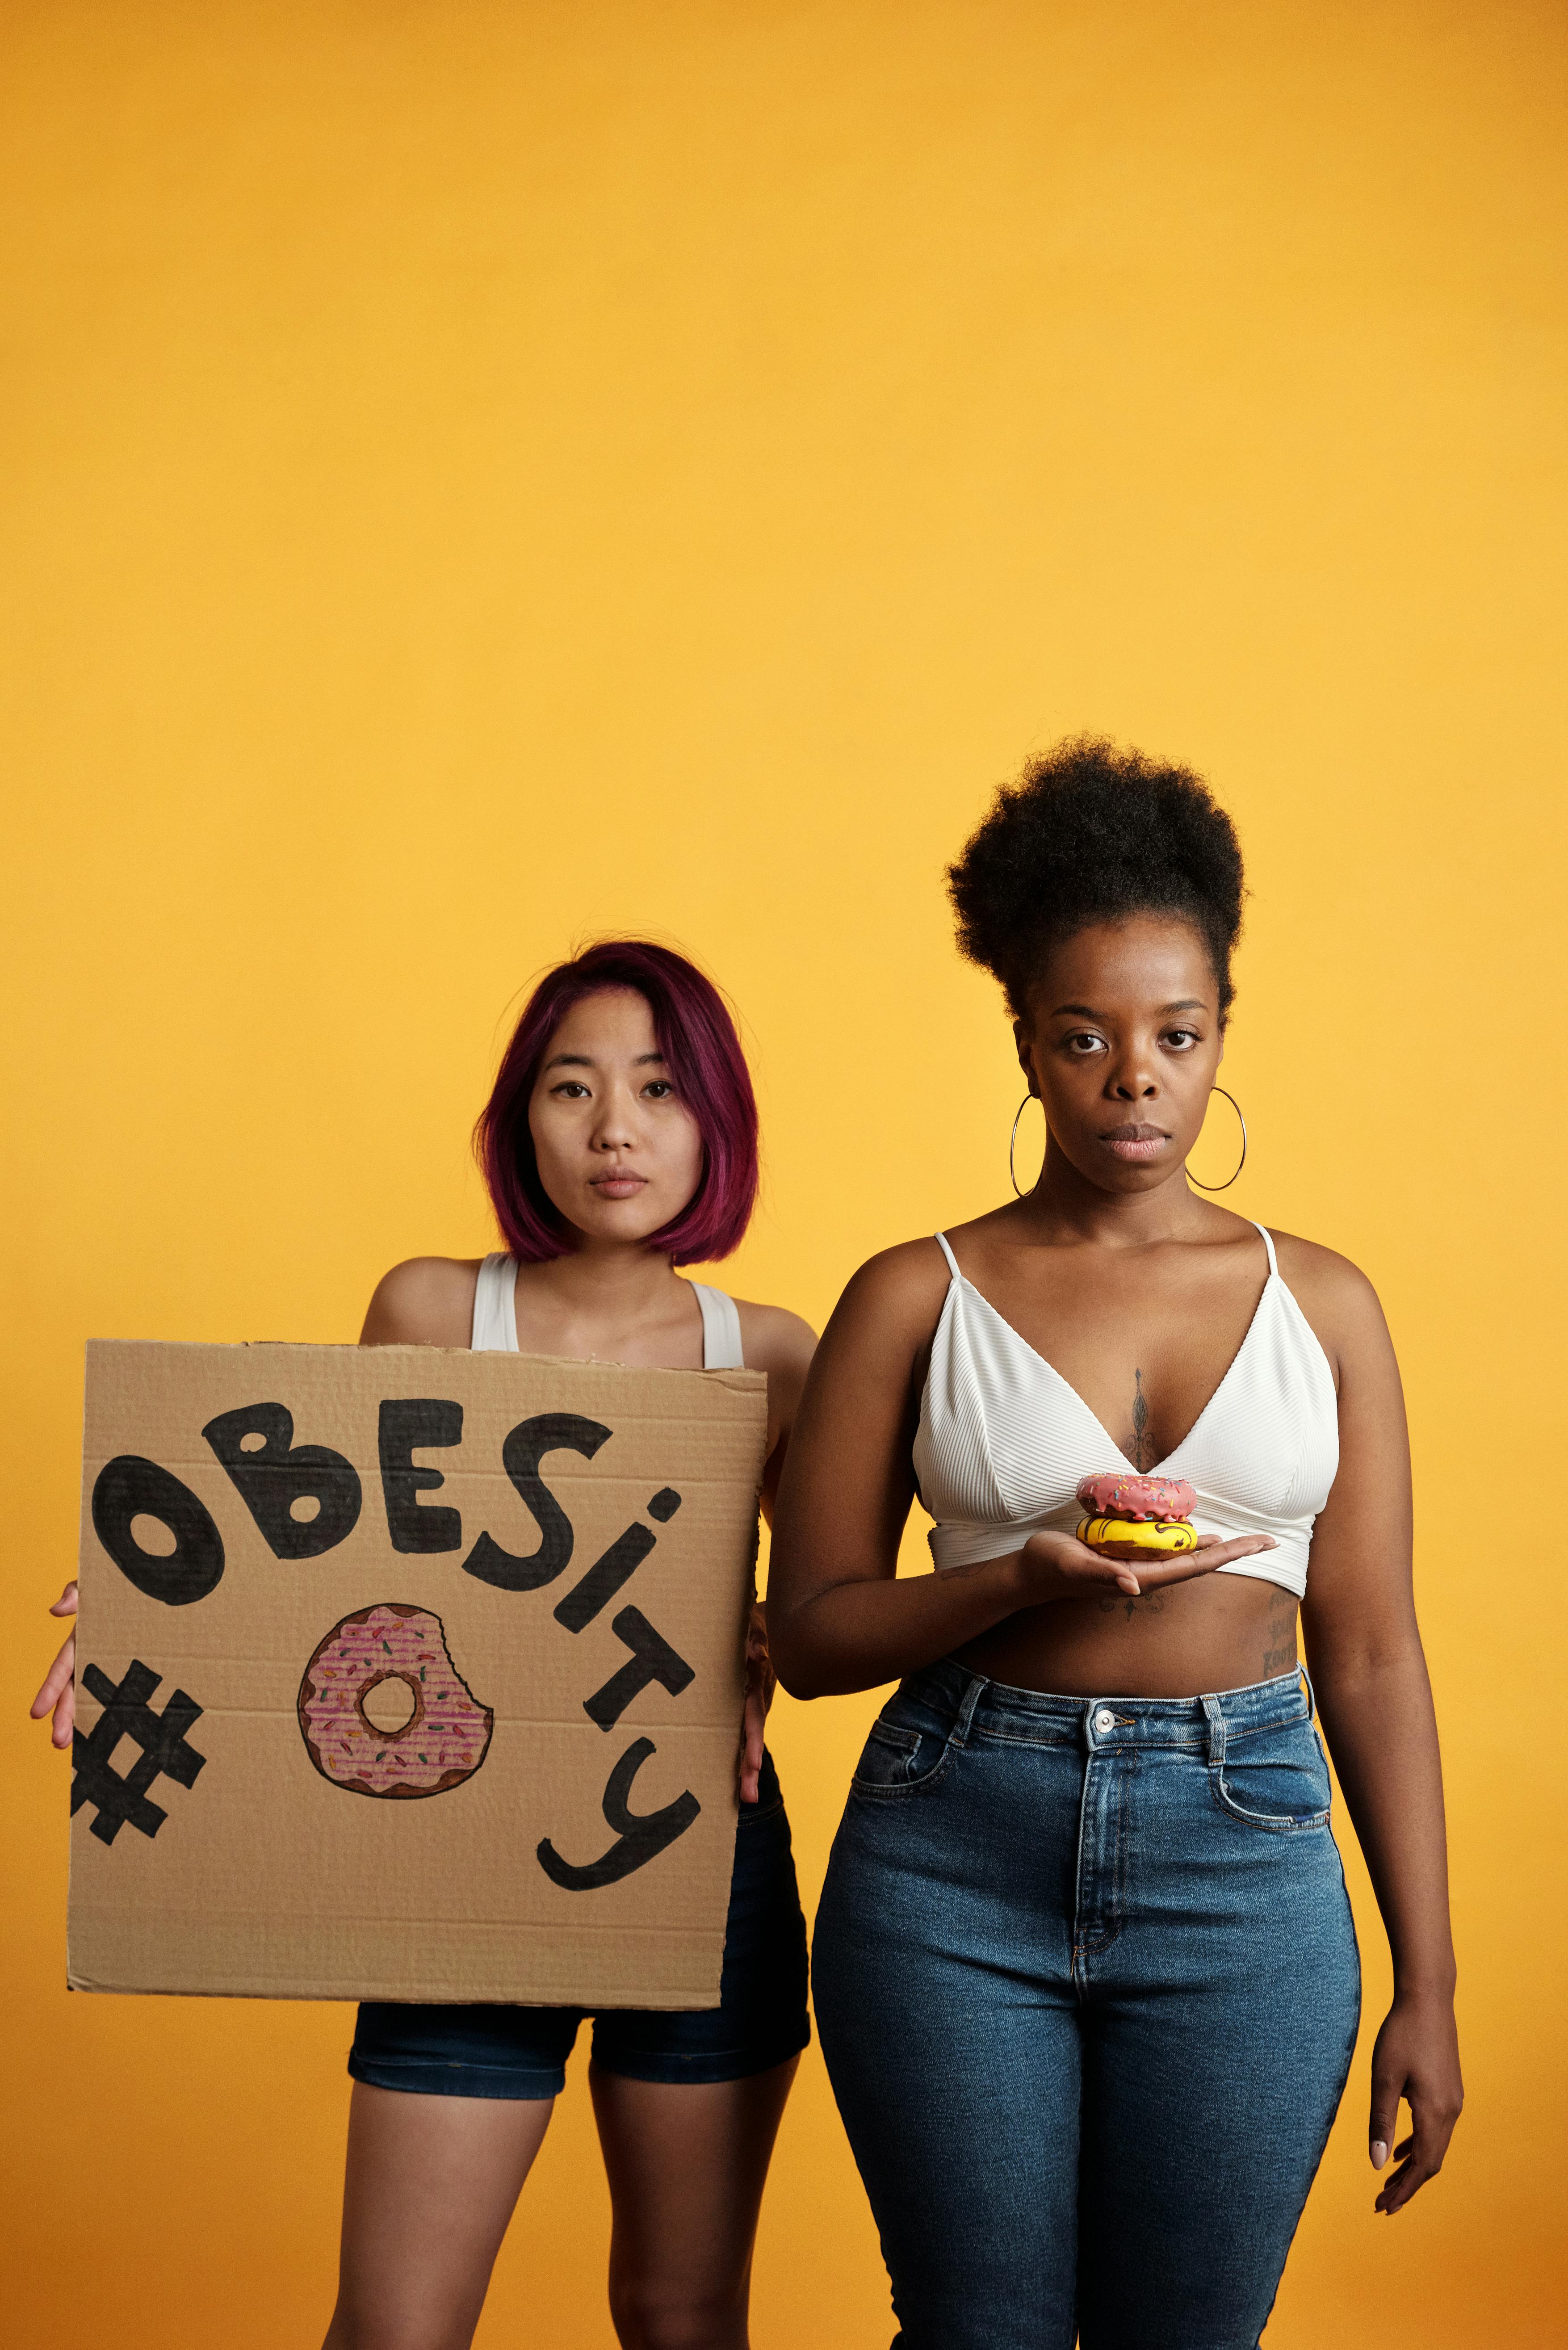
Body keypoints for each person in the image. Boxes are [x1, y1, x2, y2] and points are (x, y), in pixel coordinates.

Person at [767, 740, 1463, 2350]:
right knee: (976, 2327)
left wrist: (1428, 1979)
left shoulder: (1328, 1304)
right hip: (954, 1846)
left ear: (1223, 1031)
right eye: (1084, 1037)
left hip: (1249, 1845)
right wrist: (1013, 1576)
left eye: (1176, 1032)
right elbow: (807, 1636)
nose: (1133, 1077)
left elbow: (1367, 1646)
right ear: (1025, 1040)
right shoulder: (909, 1294)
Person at [33, 938, 816, 2350]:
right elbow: (307, 1549)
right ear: (523, 1118)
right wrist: (147, 1626)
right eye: (571, 1087)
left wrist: (759, 1642)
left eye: (657, 1087)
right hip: (459, 1858)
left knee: (684, 2315)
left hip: (702, 1860)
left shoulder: (768, 1349)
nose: (615, 1127)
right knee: (398, 2326)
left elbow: (826, 1609)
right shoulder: (435, 1309)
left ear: (717, 1119)